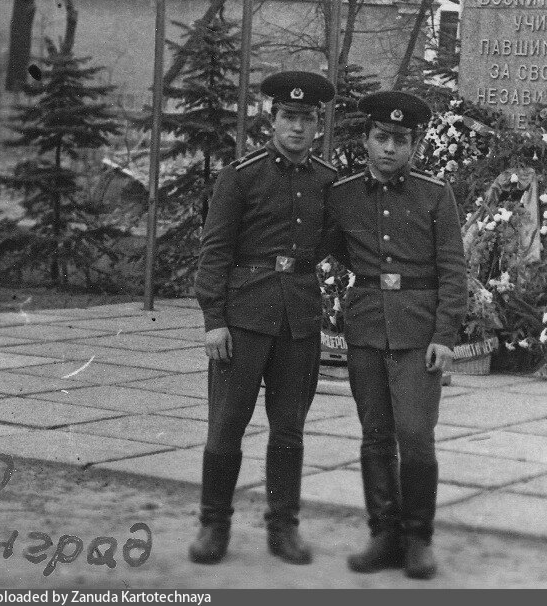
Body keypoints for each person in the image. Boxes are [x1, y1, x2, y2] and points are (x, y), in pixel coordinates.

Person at [189, 70, 338, 566]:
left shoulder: (326, 181)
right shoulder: (242, 176)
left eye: (307, 120)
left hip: (298, 321)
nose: (297, 128)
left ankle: (283, 527)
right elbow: (214, 252)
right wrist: (214, 320)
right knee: (227, 425)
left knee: (289, 428)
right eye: (288, 117)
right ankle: (214, 525)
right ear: (271, 119)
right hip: (244, 317)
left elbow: (330, 246)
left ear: (318, 125)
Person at [326, 90, 468, 580]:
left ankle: (418, 539)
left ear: (415, 145)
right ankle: (383, 535)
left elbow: (453, 269)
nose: (389, 148)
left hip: (417, 333)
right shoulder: (343, 195)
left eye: (400, 140)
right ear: (366, 139)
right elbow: (336, 249)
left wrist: (444, 335)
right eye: (381, 137)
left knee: (416, 435)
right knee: (375, 437)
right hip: (366, 329)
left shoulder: (434, 194)